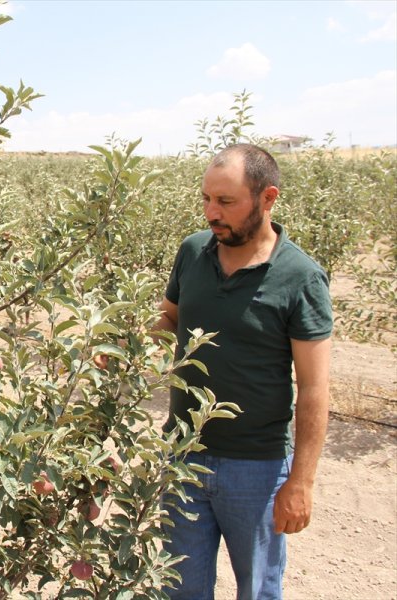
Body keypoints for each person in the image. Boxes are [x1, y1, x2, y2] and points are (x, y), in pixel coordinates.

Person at [155, 143, 332, 600]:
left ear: (267, 198)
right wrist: (122, 348)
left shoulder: (300, 277)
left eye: (226, 202)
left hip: (256, 466)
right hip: (184, 456)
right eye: (207, 199)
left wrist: (302, 481)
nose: (212, 213)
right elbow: (170, 320)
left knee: (257, 590)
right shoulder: (193, 251)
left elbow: (314, 388)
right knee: (179, 589)